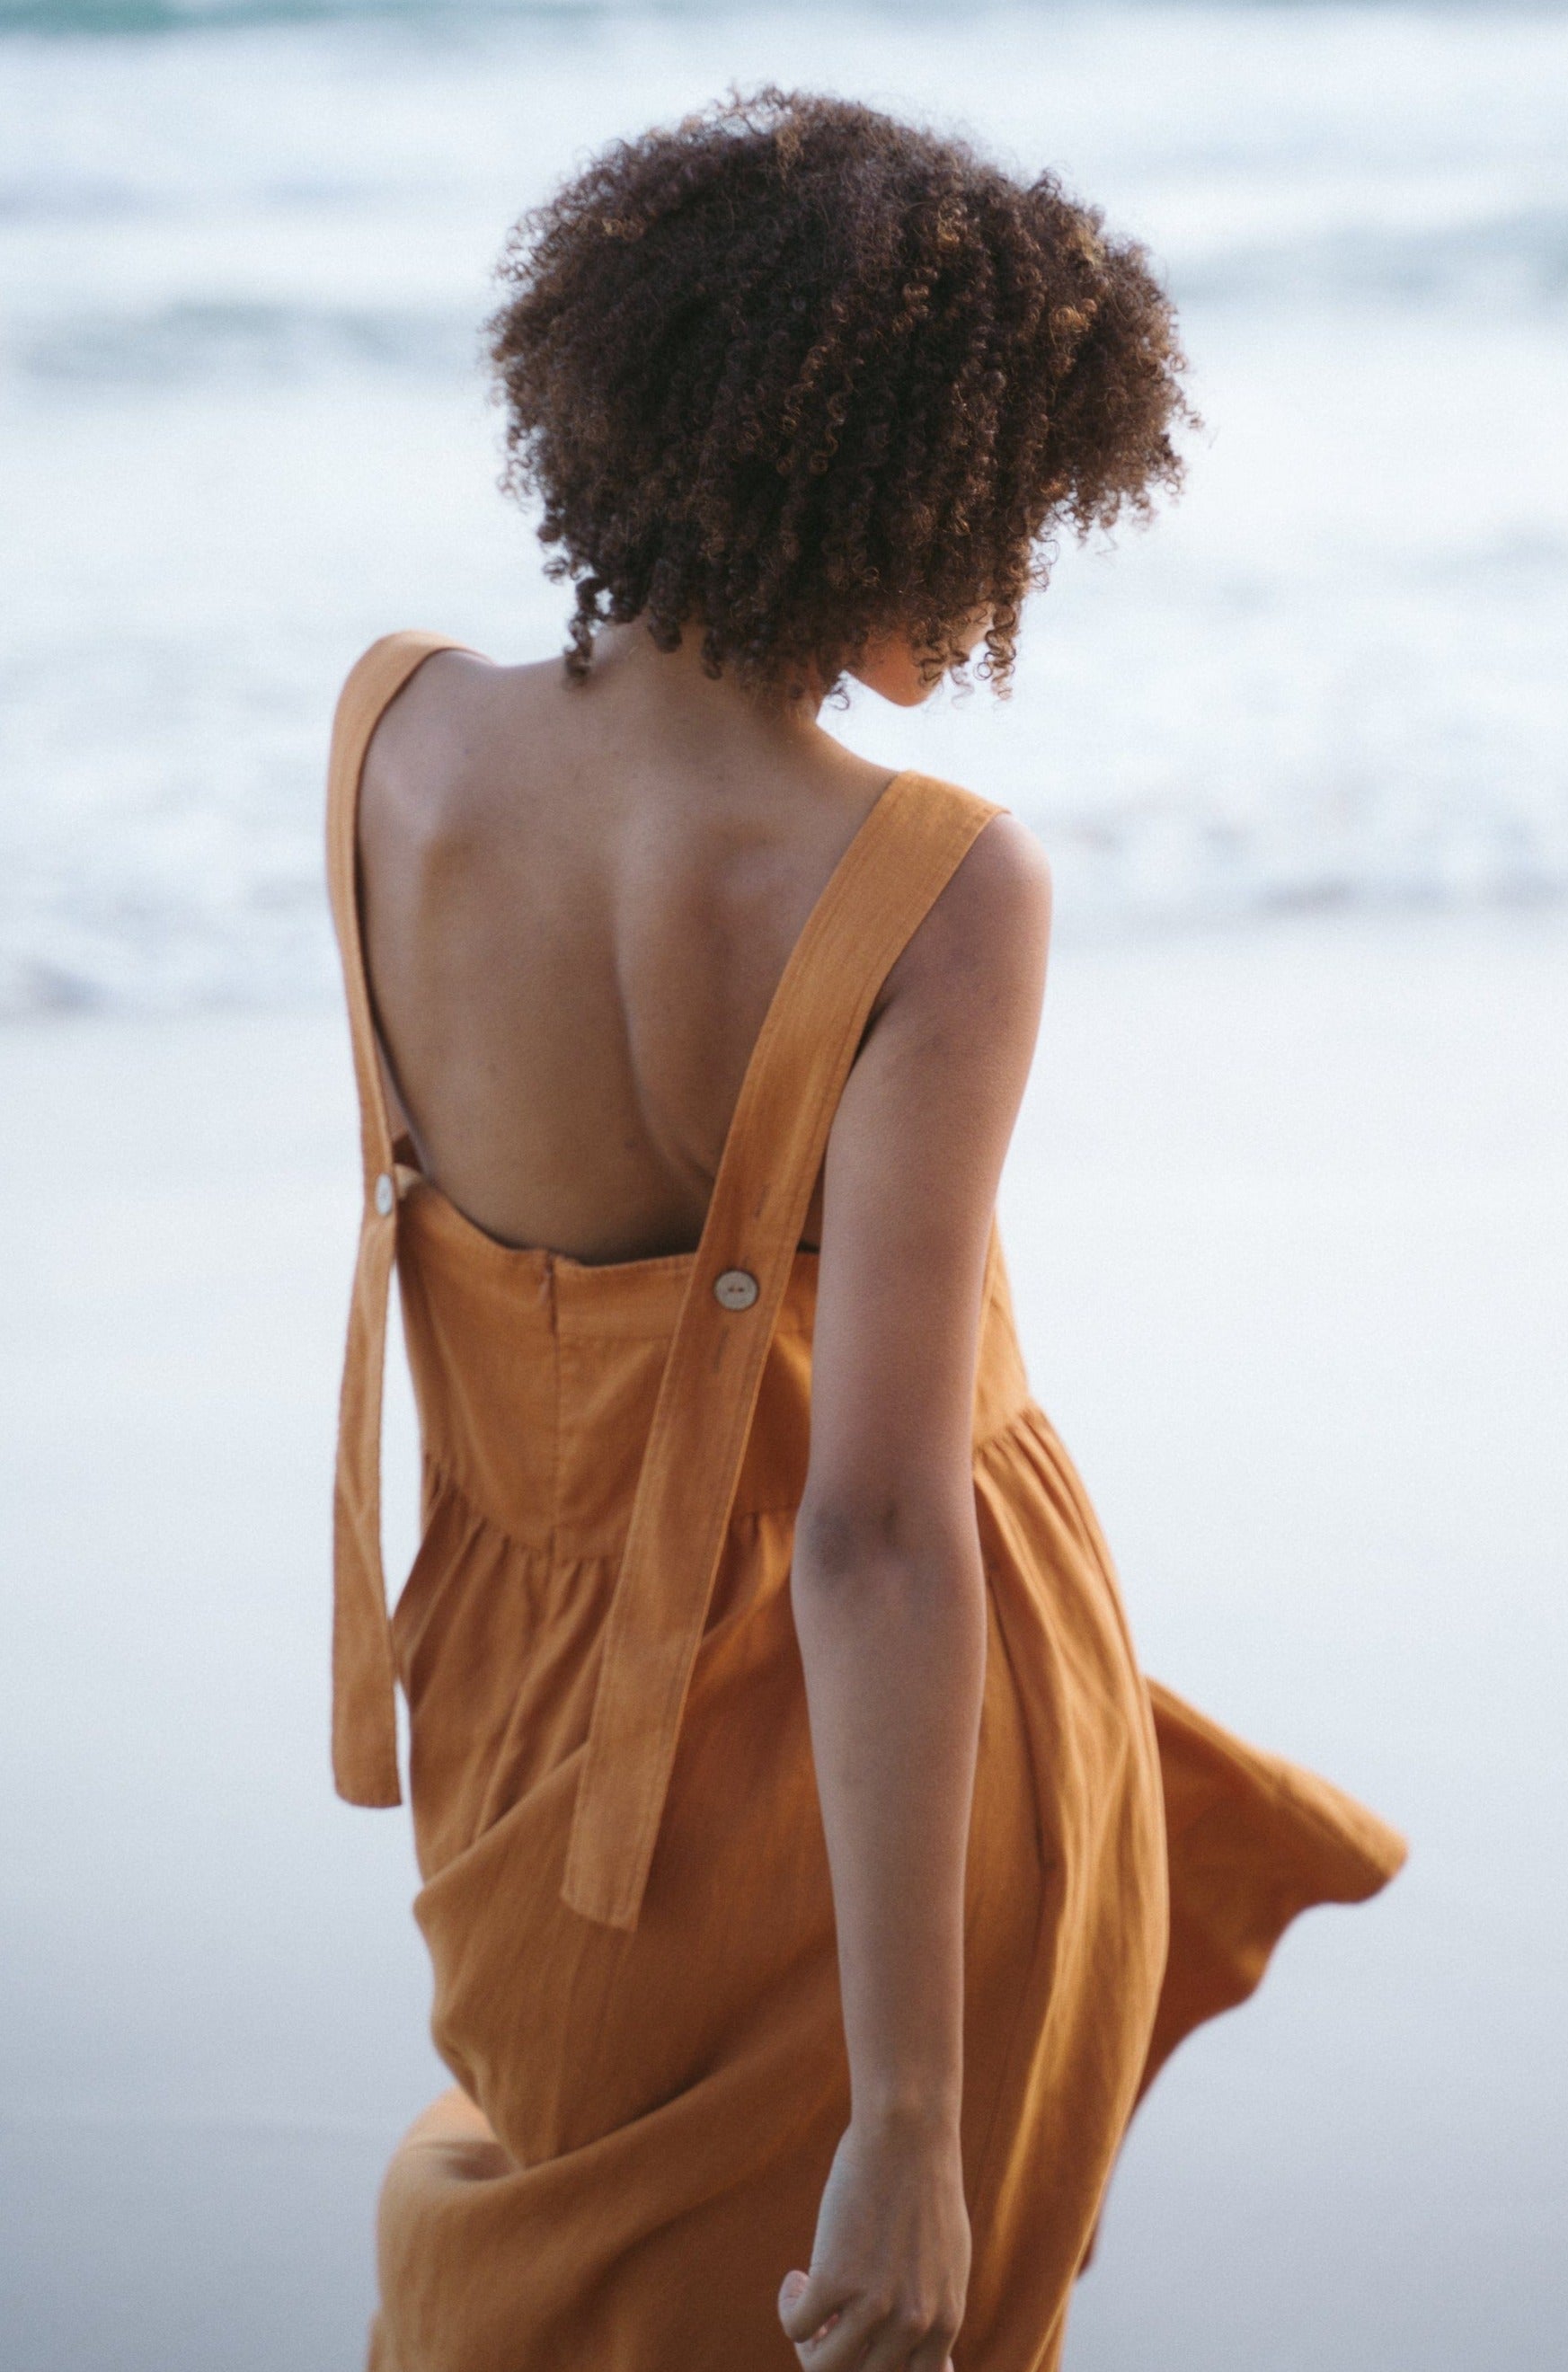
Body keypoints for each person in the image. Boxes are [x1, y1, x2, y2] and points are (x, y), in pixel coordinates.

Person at [324, 92, 1404, 2372]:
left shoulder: (392, 742)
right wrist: (911, 2115)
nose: (1008, 575)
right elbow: (881, 1535)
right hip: (891, 1797)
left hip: (522, 1751)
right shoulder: (930, 882)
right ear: (899, 496)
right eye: (1005, 511)